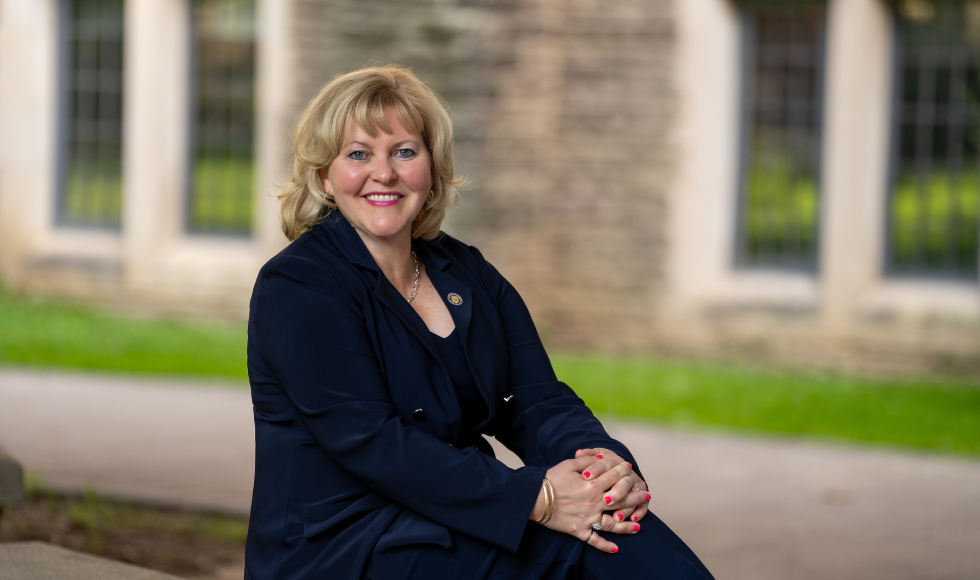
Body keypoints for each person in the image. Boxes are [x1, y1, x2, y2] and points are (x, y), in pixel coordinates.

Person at [245, 65, 714, 580]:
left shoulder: (465, 270)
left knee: (619, 526)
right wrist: (540, 498)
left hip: (456, 514)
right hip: (346, 542)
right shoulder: (298, 286)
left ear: (431, 167)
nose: (385, 173)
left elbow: (537, 398)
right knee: (583, 554)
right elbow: (373, 443)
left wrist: (603, 468)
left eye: (404, 151)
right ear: (324, 178)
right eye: (358, 154)